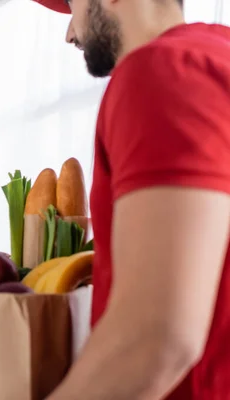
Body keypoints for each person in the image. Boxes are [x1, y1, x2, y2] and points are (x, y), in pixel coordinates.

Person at [32, 0, 230, 398]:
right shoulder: (215, 56)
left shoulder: (160, 70)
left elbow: (154, 336)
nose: (70, 32)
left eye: (74, 5)